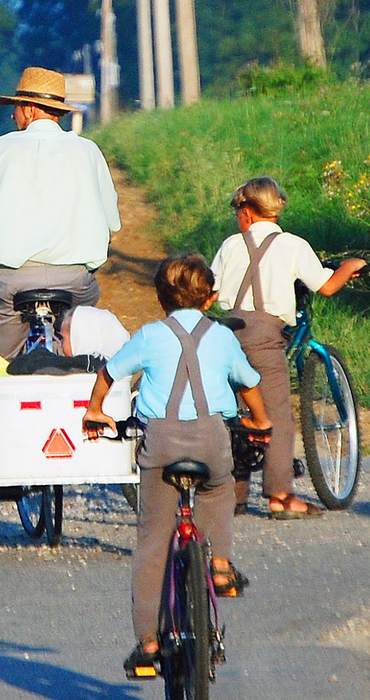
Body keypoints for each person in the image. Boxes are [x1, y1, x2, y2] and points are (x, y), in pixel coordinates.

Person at [81, 253, 271, 676]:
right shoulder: (222, 336)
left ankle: (148, 644)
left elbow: (110, 374)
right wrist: (261, 420)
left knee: (152, 539)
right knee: (219, 491)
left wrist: (96, 411)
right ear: (212, 299)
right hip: (211, 439)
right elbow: (250, 382)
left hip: (161, 443)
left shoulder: (151, 335)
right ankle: (219, 564)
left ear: (160, 299)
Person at [211, 176, 367, 518]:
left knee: (235, 413)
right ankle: (280, 496)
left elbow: (210, 291)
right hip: (265, 337)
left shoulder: (230, 246)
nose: (237, 217)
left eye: (237, 210)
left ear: (249, 212)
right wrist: (347, 268)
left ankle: (234, 495)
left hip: (226, 334)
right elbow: (325, 286)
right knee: (277, 415)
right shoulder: (293, 245)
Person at [0, 66, 122, 364]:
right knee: (85, 349)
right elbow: (112, 223)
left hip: (12, 282)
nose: (13, 116)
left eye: (15, 108)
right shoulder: (88, 151)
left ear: (28, 110)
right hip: (74, 282)